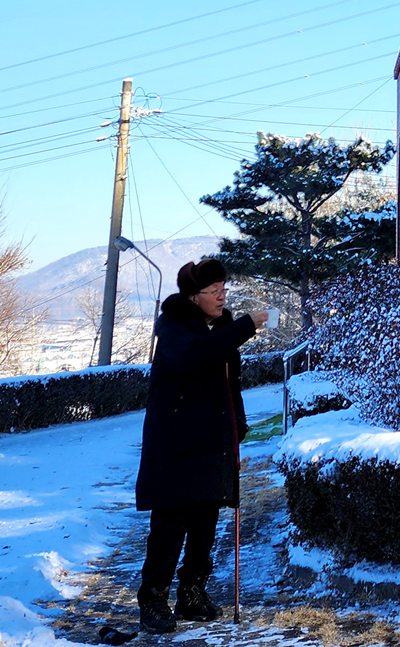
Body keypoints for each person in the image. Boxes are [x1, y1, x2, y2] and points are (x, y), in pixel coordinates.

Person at [133, 258, 267, 633]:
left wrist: (236, 432)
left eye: (225, 288)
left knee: (206, 521)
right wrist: (245, 326)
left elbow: (229, 386)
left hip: (211, 444)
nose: (223, 295)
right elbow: (196, 356)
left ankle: (192, 591)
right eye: (215, 291)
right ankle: (154, 598)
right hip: (175, 445)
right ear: (194, 298)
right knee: (171, 523)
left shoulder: (220, 330)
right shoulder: (175, 328)